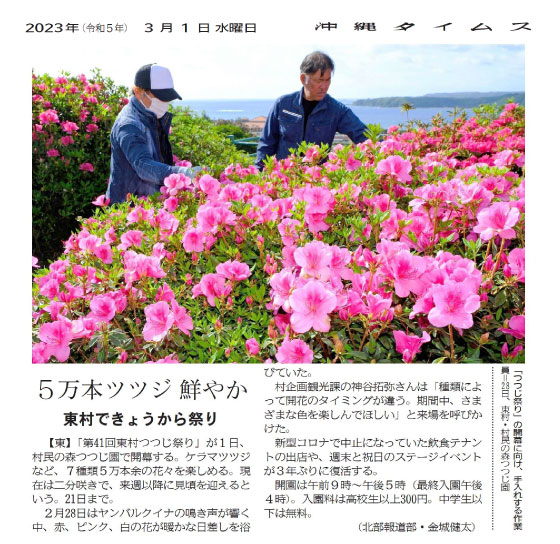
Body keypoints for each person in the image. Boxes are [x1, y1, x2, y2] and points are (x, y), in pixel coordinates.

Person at [256, 51, 367, 169]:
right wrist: (259, 174)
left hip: (316, 182)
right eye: (319, 80)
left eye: (327, 80)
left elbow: (363, 135)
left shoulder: (336, 110)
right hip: (284, 179)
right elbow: (266, 144)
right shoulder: (283, 104)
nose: (324, 86)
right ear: (303, 79)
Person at [107, 64, 200, 204]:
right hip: (128, 208)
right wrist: (185, 173)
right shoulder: (128, 124)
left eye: (167, 98)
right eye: (160, 97)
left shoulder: (150, 114)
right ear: (138, 91)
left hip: (149, 203)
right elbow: (144, 166)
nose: (164, 102)